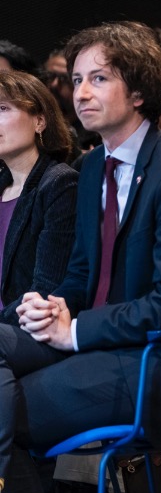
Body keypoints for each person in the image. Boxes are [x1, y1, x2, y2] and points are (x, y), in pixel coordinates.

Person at [0, 21, 161, 493]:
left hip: (159, 363)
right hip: (96, 344)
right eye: (77, 79)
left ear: (140, 91)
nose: (81, 92)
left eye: (99, 79)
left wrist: (74, 331)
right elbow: (82, 274)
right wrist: (54, 304)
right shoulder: (91, 171)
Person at [0, 71, 77, 323]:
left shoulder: (59, 184)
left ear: (39, 122)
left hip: (26, 325)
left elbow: (45, 289)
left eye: (2, 108)